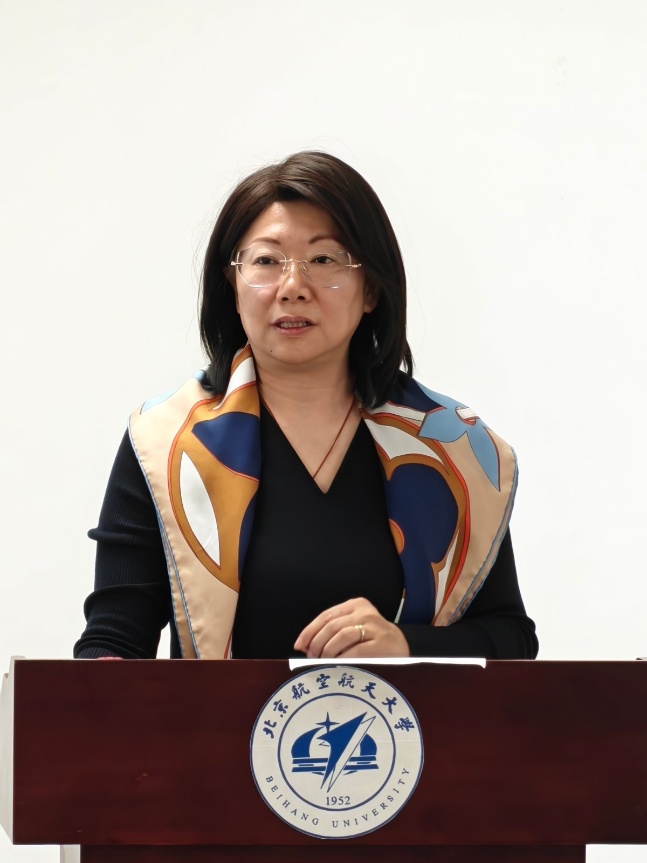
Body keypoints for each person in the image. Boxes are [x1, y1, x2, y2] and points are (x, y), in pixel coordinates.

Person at [74, 151, 538, 661]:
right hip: (222, 719)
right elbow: (114, 640)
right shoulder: (164, 443)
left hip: (405, 718)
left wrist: (406, 645)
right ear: (232, 285)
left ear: (371, 289)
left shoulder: (454, 447)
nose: (293, 288)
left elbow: (511, 640)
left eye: (324, 260)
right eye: (266, 262)